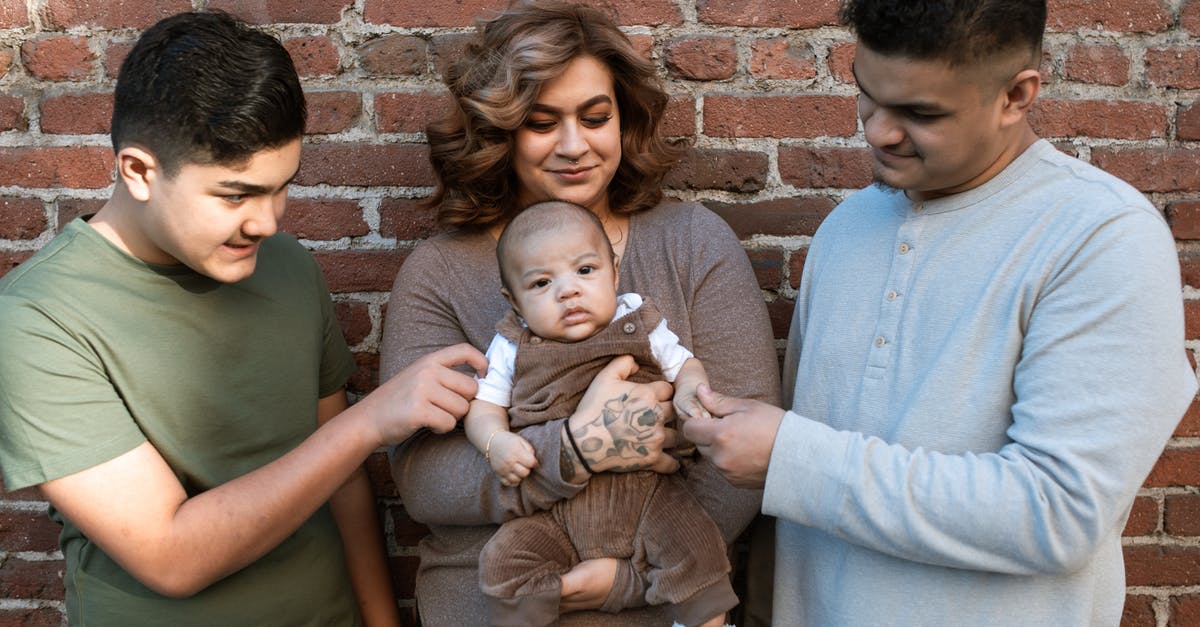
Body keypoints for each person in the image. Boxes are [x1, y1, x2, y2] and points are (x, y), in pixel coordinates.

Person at [682, 0, 1198, 625]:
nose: (877, 131)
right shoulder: (848, 228)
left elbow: (1058, 513)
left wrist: (791, 459)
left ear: (1017, 95)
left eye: (920, 113)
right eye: (867, 94)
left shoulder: (1102, 238)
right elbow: (795, 512)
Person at [0, 11, 486, 626]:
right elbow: (171, 556)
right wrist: (369, 422)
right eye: (236, 195)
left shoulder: (286, 266)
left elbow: (343, 484)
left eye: (281, 187)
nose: (268, 221)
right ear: (139, 172)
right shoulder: (38, 319)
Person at [379, 2, 781, 624]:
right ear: (500, 130)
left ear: (625, 120)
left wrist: (630, 579)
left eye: (596, 117)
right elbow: (427, 480)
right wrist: (574, 450)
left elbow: (744, 452)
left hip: (664, 595)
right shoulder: (440, 273)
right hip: (485, 602)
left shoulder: (693, 243)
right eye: (542, 123)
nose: (575, 146)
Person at [466, 200, 733, 626]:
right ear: (513, 301)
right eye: (540, 283)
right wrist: (495, 442)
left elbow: (686, 365)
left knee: (698, 550)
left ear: (614, 270)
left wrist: (686, 394)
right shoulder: (512, 346)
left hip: (650, 495)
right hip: (554, 508)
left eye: (585, 271)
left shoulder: (638, 319)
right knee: (502, 565)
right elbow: (483, 408)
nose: (567, 291)